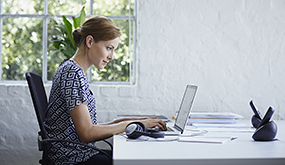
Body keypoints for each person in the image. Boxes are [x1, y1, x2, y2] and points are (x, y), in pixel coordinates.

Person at [45, 16, 167, 165]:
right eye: (109, 48)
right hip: (72, 159)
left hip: (81, 154)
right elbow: (87, 133)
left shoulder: (74, 70)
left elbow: (92, 127)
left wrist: (142, 122)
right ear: (90, 42)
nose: (112, 56)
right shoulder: (72, 72)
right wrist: (135, 125)